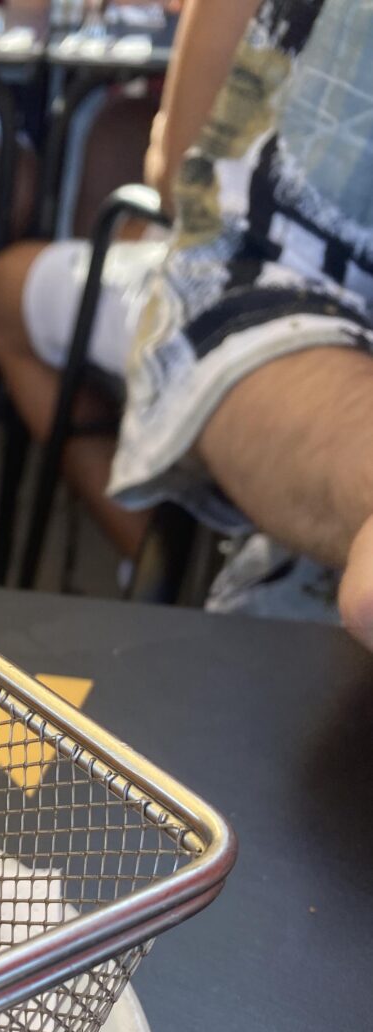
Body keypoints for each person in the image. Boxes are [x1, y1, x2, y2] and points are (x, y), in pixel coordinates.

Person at [109, 0, 373, 650]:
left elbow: (172, 175)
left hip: (182, 298)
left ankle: (142, 580)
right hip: (226, 315)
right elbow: (214, 239)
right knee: (11, 286)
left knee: (13, 286)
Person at [0, 0, 251, 562]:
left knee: (3, 288)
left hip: (253, 309)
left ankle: (158, 559)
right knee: (117, 132)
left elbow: (178, 185)